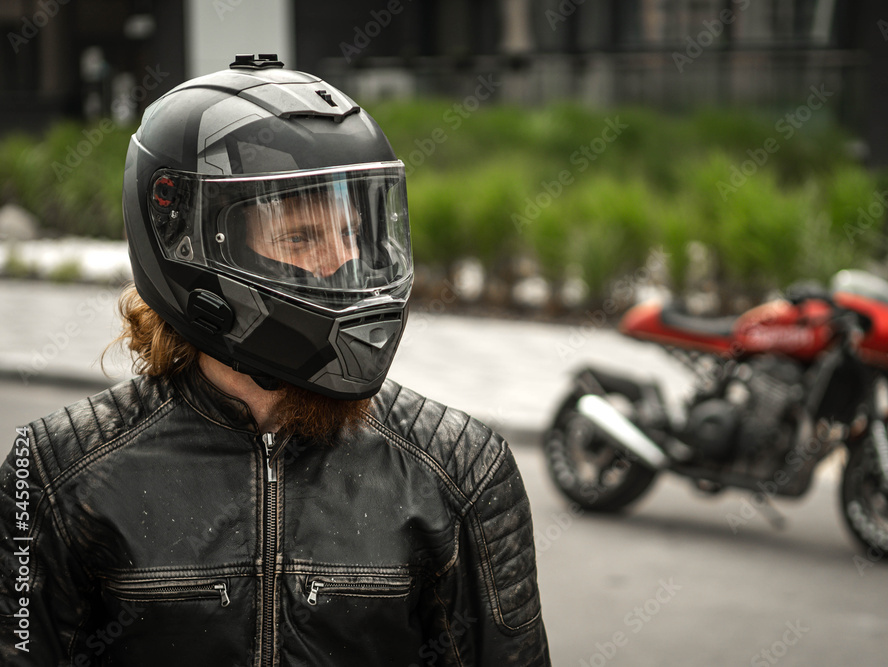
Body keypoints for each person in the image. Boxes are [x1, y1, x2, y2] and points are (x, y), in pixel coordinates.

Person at [0, 54, 550, 665]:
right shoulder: (55, 475)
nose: (342, 265)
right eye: (300, 238)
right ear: (185, 244)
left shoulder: (461, 471)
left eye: (353, 236)